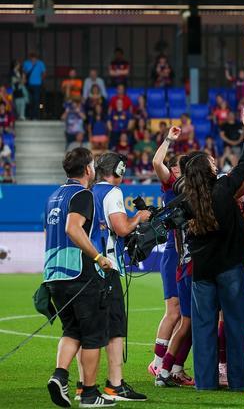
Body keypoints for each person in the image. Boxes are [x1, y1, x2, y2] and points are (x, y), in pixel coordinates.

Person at [184, 107, 244, 391]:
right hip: (231, 269)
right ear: (210, 170)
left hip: (202, 273)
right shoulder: (224, 188)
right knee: (237, 327)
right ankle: (240, 383)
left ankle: (205, 384)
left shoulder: (186, 201)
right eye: (212, 162)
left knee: (203, 331)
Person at [73, 153, 150, 402]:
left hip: (85, 265)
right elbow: (121, 228)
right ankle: (114, 385)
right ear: (118, 170)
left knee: (86, 327)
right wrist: (139, 217)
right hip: (106, 266)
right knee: (115, 326)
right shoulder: (112, 193)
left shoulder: (88, 192)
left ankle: (83, 384)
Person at [43, 147, 115, 408]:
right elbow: (72, 228)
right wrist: (98, 257)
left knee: (71, 329)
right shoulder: (83, 194)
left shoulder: (54, 196)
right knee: (94, 335)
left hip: (54, 274)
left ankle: (59, 376)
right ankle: (89, 393)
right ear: (87, 169)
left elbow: (48, 234)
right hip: (79, 273)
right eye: (93, 165)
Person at [148, 128, 184, 377]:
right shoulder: (170, 185)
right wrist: (169, 139)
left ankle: (172, 365)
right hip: (173, 252)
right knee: (173, 310)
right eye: (181, 169)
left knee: (183, 314)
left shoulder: (186, 187)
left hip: (184, 253)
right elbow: (156, 162)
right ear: (173, 172)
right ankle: (157, 362)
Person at [23, 51, 46, 119]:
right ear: (30, 57)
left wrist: (41, 80)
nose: (33, 59)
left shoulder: (40, 63)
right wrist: (24, 79)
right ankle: (30, 115)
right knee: (30, 100)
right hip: (29, 85)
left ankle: (37, 115)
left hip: (37, 85)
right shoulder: (26, 63)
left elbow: (44, 73)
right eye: (32, 57)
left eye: (34, 57)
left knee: (37, 100)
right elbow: (24, 73)